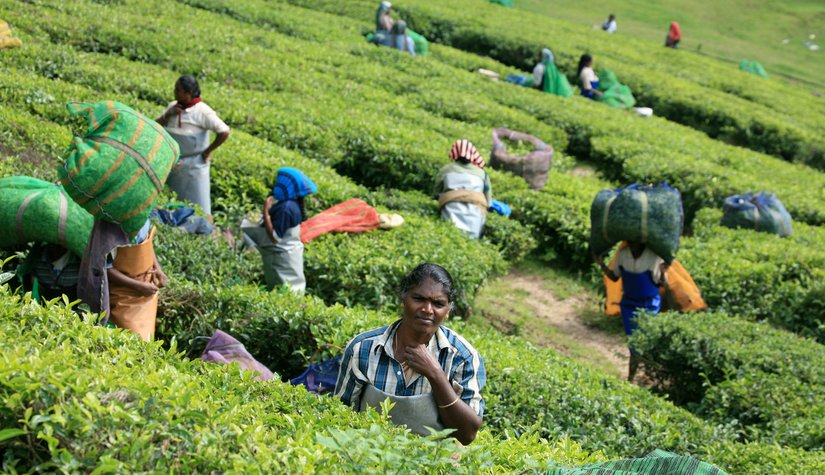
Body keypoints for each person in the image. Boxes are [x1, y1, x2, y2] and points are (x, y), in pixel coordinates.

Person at [334, 263, 485, 445]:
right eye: (419, 299)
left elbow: (467, 435)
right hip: (367, 455)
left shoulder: (462, 358)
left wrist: (435, 374)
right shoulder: (363, 349)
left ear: (448, 311)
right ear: (403, 298)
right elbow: (340, 416)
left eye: (438, 303)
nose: (428, 309)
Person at [157, 75, 230, 220]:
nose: (175, 93)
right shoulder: (172, 107)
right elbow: (155, 126)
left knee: (197, 205)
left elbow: (224, 131)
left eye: (178, 90)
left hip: (195, 165)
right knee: (171, 204)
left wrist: (208, 151)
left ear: (188, 93)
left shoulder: (203, 111)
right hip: (173, 162)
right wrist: (168, 115)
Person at [594, 241, 669, 381]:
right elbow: (614, 276)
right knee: (633, 343)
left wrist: (664, 272)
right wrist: (602, 264)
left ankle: (649, 374)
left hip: (649, 305)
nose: (633, 244)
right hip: (629, 304)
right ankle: (631, 377)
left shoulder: (653, 257)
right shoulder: (623, 254)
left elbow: (662, 283)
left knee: (647, 340)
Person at [242, 168, 316, 293]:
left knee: (283, 293)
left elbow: (275, 237)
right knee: (293, 293)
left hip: (281, 259)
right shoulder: (291, 204)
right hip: (289, 256)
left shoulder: (286, 208)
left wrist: (266, 211)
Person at [106, 218, 168, 342]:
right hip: (123, 295)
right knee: (130, 340)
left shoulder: (143, 218)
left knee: (147, 338)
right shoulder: (112, 226)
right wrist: (137, 286)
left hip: (146, 289)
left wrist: (158, 269)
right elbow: (105, 268)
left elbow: (146, 242)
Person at [433, 140, 492, 239]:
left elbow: (436, 192)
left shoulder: (446, 170)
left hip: (451, 208)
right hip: (476, 212)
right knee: (471, 239)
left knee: (449, 236)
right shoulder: (482, 174)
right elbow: (488, 201)